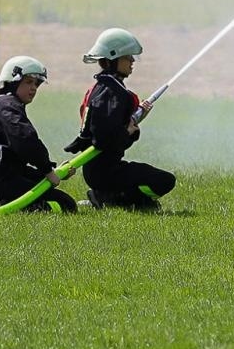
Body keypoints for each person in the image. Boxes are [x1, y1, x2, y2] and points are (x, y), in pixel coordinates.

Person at [63, 27, 176, 211]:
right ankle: (111, 198)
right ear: (111, 60)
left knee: (152, 179)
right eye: (127, 57)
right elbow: (104, 140)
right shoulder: (111, 93)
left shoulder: (105, 87)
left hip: (100, 170)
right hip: (106, 173)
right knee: (165, 181)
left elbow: (111, 137)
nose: (132, 61)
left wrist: (134, 123)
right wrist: (128, 131)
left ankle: (111, 197)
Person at [0, 55, 77, 213]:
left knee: (58, 197)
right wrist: (48, 170)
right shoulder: (8, 106)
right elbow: (25, 140)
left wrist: (53, 173)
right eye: (28, 82)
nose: (34, 88)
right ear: (12, 81)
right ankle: (31, 210)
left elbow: (14, 163)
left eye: (37, 84)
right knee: (65, 204)